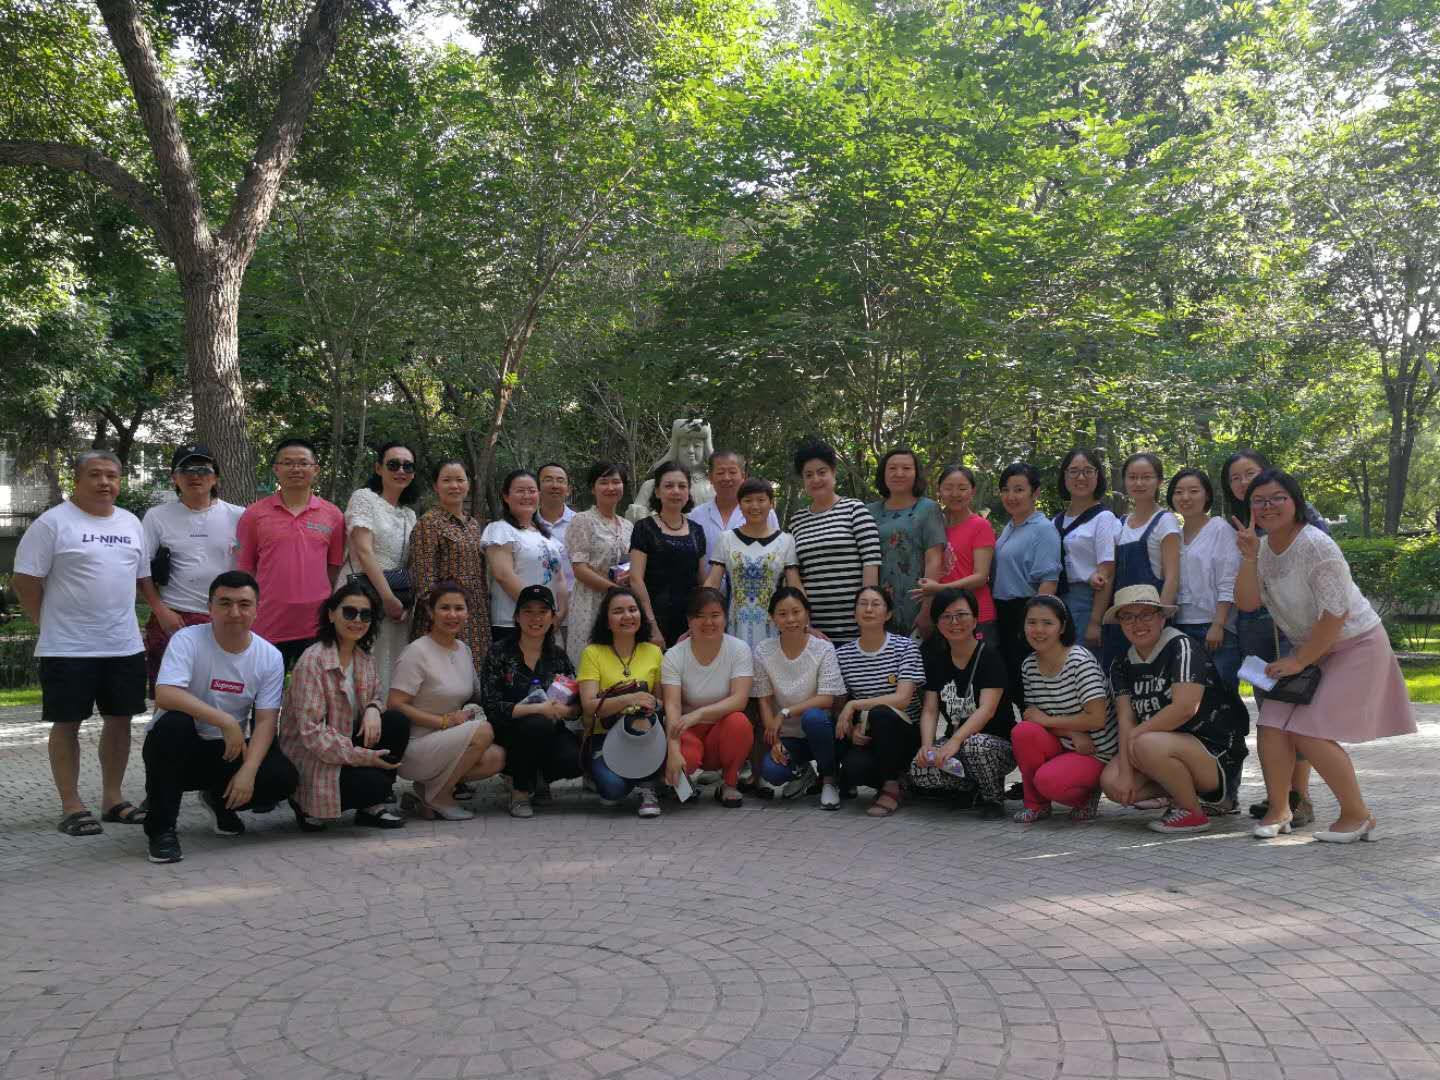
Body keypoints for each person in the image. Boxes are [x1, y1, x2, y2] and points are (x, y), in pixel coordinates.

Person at [1235, 470, 1416, 843]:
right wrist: (1249, 558)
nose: (1268, 506)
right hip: (1313, 648)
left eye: (1277, 497)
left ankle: (1357, 815)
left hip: (1356, 644)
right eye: (1259, 500)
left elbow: (1336, 613)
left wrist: (1299, 661)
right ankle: (1280, 809)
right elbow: (1248, 603)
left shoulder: (1316, 545)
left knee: (1309, 731)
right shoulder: (1263, 549)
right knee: (1272, 723)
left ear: (1295, 501)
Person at [14, 449, 150, 836]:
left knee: (120, 721)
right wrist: (45, 623)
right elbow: (24, 581)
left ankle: (113, 799)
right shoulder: (52, 523)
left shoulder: (131, 522)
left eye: (112, 475)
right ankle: (71, 805)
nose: (104, 482)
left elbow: (140, 579)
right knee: (67, 724)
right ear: (77, 479)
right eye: (95, 474)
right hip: (68, 648)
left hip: (123, 644)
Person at [141, 571, 299, 863]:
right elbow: (165, 694)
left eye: (244, 604)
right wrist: (224, 720)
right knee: (173, 723)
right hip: (178, 748)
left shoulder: (269, 656)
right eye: (225, 603)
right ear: (210, 607)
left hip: (228, 750)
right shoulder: (187, 639)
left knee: (281, 777)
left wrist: (248, 771)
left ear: (257, 609)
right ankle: (161, 830)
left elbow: (266, 720)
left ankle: (219, 799)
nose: (234, 612)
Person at [1223, 449, 1326, 824]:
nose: (1243, 482)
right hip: (1254, 626)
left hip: (1292, 626)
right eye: (1235, 478)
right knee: (1270, 711)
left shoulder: (1297, 513)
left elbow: (1320, 561)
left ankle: (1300, 798)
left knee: (1296, 707)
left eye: (1249, 473)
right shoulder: (1234, 522)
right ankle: (1276, 796)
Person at [1099, 585, 1250, 835]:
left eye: (1146, 614)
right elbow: (1126, 719)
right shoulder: (1122, 662)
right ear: (1120, 623)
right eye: (1128, 617)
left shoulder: (1181, 646)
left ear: (1162, 617)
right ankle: (1182, 793)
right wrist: (1125, 773)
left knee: (1145, 743)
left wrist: (1137, 735)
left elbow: (1185, 708)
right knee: (1112, 782)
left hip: (1214, 751)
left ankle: (1192, 811)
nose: (1138, 623)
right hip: (1162, 746)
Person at [279, 580, 409, 833]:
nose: (357, 620)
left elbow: (375, 695)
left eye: (365, 614)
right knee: (374, 784)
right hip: (316, 756)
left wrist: (373, 709)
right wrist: (366, 758)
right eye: (349, 612)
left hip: (347, 745)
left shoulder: (364, 658)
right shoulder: (313, 661)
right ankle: (305, 805)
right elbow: (313, 734)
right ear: (331, 614)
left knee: (396, 722)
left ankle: (370, 806)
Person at [388, 582, 504, 821]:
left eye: (459, 608)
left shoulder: (463, 649)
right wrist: (442, 721)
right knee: (482, 731)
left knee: (496, 757)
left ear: (468, 613)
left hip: (450, 737)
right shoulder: (416, 652)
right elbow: (395, 704)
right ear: (431, 612)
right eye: (445, 608)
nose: (452, 615)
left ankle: (424, 792)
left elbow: (475, 695)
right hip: (416, 745)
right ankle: (440, 796)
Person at [138, 444, 244, 694]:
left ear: (215, 477)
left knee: (222, 691)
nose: (195, 476)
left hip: (225, 617)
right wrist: (160, 610)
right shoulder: (156, 516)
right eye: (186, 470)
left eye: (203, 470)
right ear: (174, 478)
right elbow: (141, 570)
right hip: (173, 617)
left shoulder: (239, 516)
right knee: (170, 694)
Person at [236, 437, 346, 669]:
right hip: (268, 622)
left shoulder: (333, 515)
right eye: (287, 463)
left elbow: (333, 567)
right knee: (265, 688)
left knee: (315, 688)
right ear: (276, 469)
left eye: (303, 463)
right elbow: (246, 568)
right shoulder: (254, 514)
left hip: (317, 623)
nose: (296, 469)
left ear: (315, 469)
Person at [1011, 596, 1118, 823]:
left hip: (1095, 750)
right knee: (1023, 731)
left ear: (1062, 627)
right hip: (1066, 740)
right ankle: (1036, 805)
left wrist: (1048, 721)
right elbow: (1033, 718)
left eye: (1047, 623)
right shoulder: (1029, 665)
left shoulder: (1080, 661)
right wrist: (1070, 731)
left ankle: (1086, 796)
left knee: (1048, 781)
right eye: (1032, 622)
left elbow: (1097, 719)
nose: (1038, 630)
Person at [480, 585, 584, 818]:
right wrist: (537, 709)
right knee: (536, 724)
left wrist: (565, 711)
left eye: (543, 612)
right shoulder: (499, 652)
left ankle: (538, 777)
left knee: (576, 759)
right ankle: (520, 791)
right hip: (508, 731)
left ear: (553, 618)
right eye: (528, 611)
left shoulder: (558, 656)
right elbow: (491, 706)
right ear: (517, 617)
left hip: (549, 730)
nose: (535, 618)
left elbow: (577, 706)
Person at [911, 588, 1015, 817]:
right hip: (956, 742)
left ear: (975, 619)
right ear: (937, 623)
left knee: (975, 744)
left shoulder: (990, 657)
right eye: (946, 617)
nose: (954, 622)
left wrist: (955, 741)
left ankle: (993, 798)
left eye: (961, 615)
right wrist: (927, 746)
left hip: (996, 745)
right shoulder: (936, 661)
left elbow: (987, 710)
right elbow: (930, 710)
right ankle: (970, 787)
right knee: (919, 770)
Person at [660, 588, 756, 807]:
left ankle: (729, 783)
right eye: (700, 616)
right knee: (686, 757)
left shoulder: (739, 649)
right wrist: (673, 750)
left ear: (725, 618)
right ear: (689, 620)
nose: (708, 622)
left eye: (715, 615)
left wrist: (699, 714)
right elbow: (672, 706)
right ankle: (681, 782)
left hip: (722, 731)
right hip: (686, 730)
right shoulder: (674, 655)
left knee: (739, 722)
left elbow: (739, 699)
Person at [834, 586, 925, 816]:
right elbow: (839, 709)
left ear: (888, 614)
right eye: (862, 604)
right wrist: (852, 729)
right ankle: (900, 781)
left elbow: (902, 699)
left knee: (882, 712)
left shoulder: (905, 647)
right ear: (854, 613)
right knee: (854, 768)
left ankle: (891, 787)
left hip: (906, 735)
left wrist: (855, 705)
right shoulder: (843, 655)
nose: (868, 609)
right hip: (870, 734)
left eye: (876, 604)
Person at [752, 587, 846, 808]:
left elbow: (826, 699)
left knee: (813, 717)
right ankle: (803, 772)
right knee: (772, 771)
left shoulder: (823, 649)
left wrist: (785, 712)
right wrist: (775, 741)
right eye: (782, 614)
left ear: (807, 614)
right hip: (789, 736)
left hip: (821, 731)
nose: (791, 619)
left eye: (796, 612)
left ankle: (829, 779)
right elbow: (764, 700)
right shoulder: (763, 651)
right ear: (772, 618)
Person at [577, 587, 667, 817]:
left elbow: (661, 701)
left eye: (632, 610)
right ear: (606, 621)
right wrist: (630, 698)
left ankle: (647, 787)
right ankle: (632, 777)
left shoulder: (654, 652)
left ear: (641, 615)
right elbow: (589, 705)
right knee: (613, 789)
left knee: (641, 722)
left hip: (645, 733)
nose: (627, 616)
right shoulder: (592, 653)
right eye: (618, 611)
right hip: (605, 735)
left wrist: (645, 705)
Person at [340, 441, 419, 694]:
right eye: (393, 464)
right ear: (378, 468)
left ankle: (383, 715)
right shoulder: (364, 498)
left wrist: (402, 602)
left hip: (396, 600)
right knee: (358, 659)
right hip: (362, 593)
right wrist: (387, 597)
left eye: (408, 466)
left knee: (389, 663)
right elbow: (364, 551)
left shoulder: (409, 515)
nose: (401, 471)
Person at [789, 439, 882, 643]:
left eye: (821, 472)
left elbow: (871, 562)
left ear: (833, 472)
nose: (816, 479)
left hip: (856, 630)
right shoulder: (797, 521)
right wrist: (805, 623)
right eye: (808, 475)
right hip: (814, 632)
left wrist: (867, 617)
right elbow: (793, 573)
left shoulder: (855, 510)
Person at [990, 462, 1062, 710]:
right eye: (1006, 490)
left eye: (1019, 489)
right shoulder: (1010, 527)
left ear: (1035, 492)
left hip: (1025, 611)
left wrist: (1036, 623)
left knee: (1029, 686)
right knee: (1011, 681)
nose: (1011, 496)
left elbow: (1049, 580)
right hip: (1003, 612)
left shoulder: (1043, 529)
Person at [408, 459, 491, 671]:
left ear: (468, 484)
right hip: (442, 619)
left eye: (460, 480)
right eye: (446, 480)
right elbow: (424, 578)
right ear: (436, 486)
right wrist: (444, 614)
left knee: (473, 674)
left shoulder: (473, 525)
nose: (454, 486)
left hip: (476, 617)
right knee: (441, 676)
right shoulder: (428, 523)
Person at [1101, 453, 1180, 670]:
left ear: (1159, 481)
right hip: (1122, 619)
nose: (1139, 483)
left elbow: (1172, 577)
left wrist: (1160, 621)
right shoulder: (1121, 523)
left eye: (1146, 477)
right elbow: (1111, 574)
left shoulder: (1165, 521)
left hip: (1151, 622)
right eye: (1132, 477)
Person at [704, 477, 801, 649]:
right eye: (748, 500)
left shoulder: (786, 541)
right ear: (739, 505)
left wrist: (806, 622)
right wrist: (698, 616)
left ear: (771, 503)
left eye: (761, 500)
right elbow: (713, 583)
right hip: (734, 628)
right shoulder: (726, 539)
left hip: (775, 628)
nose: (755, 506)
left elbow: (794, 585)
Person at [1168, 468, 1242, 690]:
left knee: (1223, 694)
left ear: (1207, 495)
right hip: (1180, 626)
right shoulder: (1174, 534)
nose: (1185, 497)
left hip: (1214, 627)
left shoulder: (1219, 529)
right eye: (1178, 492)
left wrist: (1218, 624)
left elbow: (1229, 580)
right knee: (1188, 694)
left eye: (1193, 491)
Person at [866, 447, 947, 636]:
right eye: (892, 468)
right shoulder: (869, 511)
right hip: (878, 603)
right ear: (883, 473)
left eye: (907, 468)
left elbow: (934, 560)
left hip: (916, 601)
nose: (899, 473)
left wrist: (927, 610)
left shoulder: (928, 508)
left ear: (916, 473)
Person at [482, 469, 569, 643]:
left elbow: (559, 579)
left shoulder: (547, 536)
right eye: (520, 491)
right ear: (506, 497)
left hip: (547, 623)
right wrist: (536, 612)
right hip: (512, 623)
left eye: (531, 491)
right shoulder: (500, 529)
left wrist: (560, 613)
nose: (527, 496)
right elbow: (503, 575)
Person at [913, 465, 997, 644]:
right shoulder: (937, 527)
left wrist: (940, 589)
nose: (955, 494)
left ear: (972, 491)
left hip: (976, 614)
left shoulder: (980, 526)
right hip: (944, 614)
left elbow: (981, 577)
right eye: (948, 488)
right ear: (939, 491)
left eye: (962, 488)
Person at [629, 460, 708, 648]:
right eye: (669, 486)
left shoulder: (697, 530)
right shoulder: (644, 528)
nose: (676, 491)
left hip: (689, 621)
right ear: (657, 492)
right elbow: (635, 579)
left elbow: (702, 581)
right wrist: (651, 625)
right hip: (653, 618)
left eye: (682, 486)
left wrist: (699, 620)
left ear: (688, 492)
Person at [565, 462, 634, 667]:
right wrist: (614, 590)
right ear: (592, 488)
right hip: (590, 601)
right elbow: (580, 568)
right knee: (590, 659)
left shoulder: (628, 526)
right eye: (604, 482)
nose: (611, 487)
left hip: (622, 604)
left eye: (616, 482)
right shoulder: (582, 521)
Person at [1051, 449, 1118, 657]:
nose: (1081, 477)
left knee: (1081, 664)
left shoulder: (1104, 518)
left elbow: (1107, 573)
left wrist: (1095, 622)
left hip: (1087, 603)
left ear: (1097, 476)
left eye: (1088, 471)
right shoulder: (1056, 521)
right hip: (1057, 602)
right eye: (1074, 471)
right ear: (1064, 477)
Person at [689, 451, 780, 595]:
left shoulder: (764, 513)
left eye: (732, 472)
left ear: (743, 476)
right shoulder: (696, 516)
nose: (726, 478)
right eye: (720, 473)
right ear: (710, 478)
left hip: (754, 597)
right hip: (708, 598)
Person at [537, 462, 577, 604]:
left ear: (568, 490)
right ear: (537, 488)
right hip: (537, 606)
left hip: (576, 605)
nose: (555, 485)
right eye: (548, 480)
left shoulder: (581, 523)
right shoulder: (526, 524)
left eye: (560, 480)